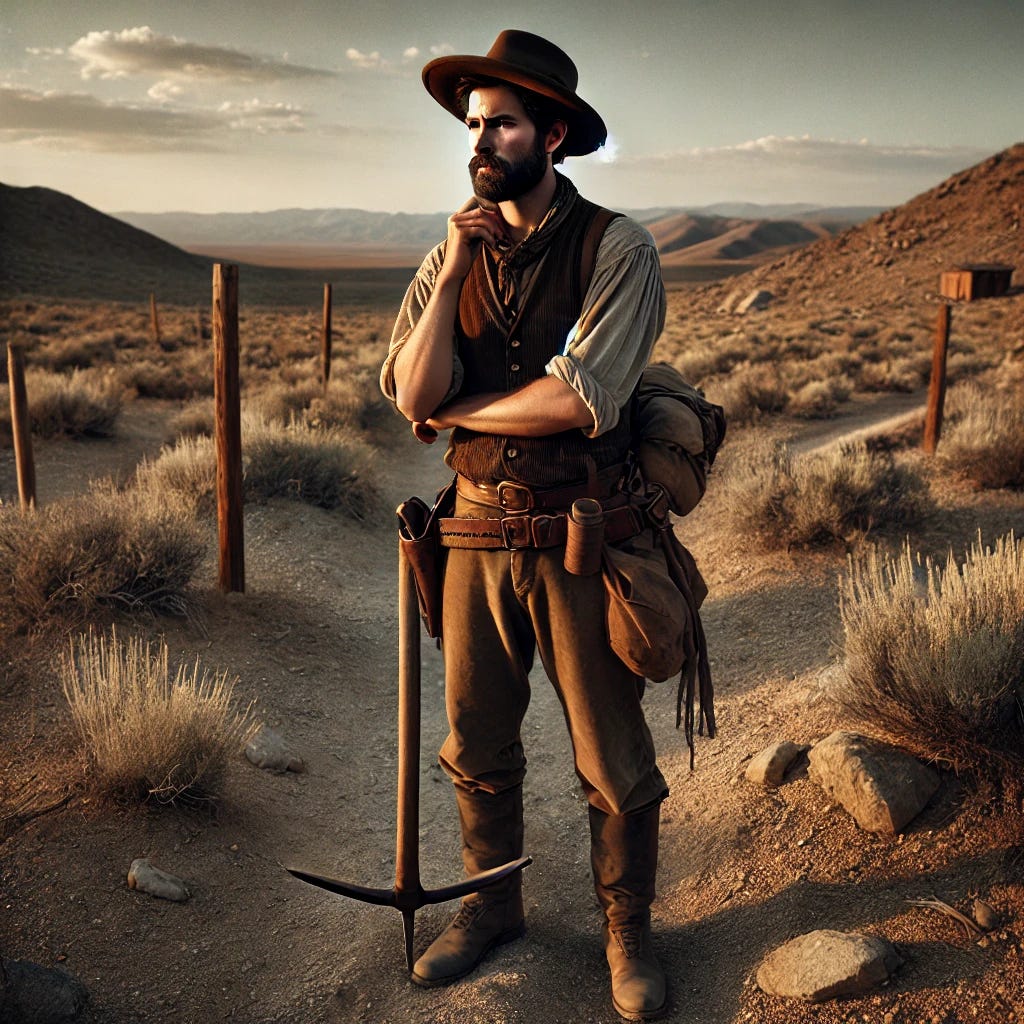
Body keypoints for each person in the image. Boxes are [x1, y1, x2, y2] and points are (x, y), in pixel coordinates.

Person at [380, 29, 670, 1021]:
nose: (481, 139)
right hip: (468, 537)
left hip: (579, 535)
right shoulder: (446, 250)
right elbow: (407, 391)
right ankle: (491, 904)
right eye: (473, 124)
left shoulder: (615, 247)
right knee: (474, 739)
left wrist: (457, 416)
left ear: (551, 133)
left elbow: (578, 399)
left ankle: (626, 928)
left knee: (608, 752)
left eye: (500, 122)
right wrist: (458, 263)